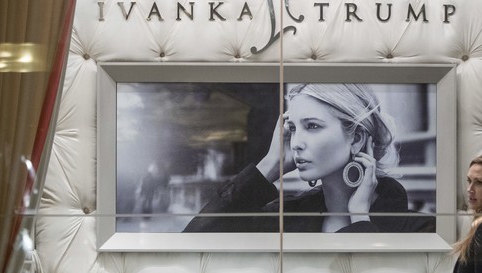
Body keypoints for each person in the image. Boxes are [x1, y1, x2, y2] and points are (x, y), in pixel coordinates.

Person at [184, 83, 435, 233]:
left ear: (357, 138)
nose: (296, 143)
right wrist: (270, 165)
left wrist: (359, 216)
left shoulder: (420, 228)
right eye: (293, 129)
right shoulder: (285, 218)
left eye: (313, 126)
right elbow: (194, 241)